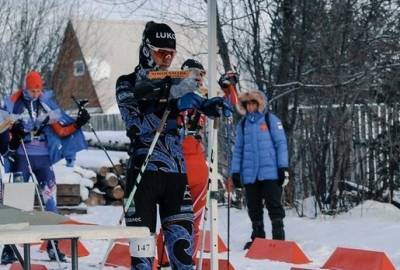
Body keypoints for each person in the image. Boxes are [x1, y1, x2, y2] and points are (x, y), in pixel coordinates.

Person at [116, 21, 232, 270]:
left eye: (171, 54)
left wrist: (209, 105)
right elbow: (135, 125)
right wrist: (172, 103)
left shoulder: (178, 80)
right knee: (143, 262)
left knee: (183, 257)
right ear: (146, 50)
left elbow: (195, 100)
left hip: (176, 176)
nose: (167, 59)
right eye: (161, 53)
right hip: (144, 175)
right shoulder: (126, 82)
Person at [0, 71, 90, 264]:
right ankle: (10, 248)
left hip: (43, 158)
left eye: (39, 90)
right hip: (22, 157)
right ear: (26, 88)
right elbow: (4, 129)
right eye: (32, 90)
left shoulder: (45, 103)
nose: (36, 94)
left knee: (50, 202)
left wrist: (78, 123)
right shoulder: (14, 103)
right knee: (18, 204)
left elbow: (62, 131)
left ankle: (53, 246)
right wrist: (13, 133)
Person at [228, 90, 289, 250]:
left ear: (259, 104)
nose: (250, 107)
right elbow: (238, 149)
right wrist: (235, 172)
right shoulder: (243, 125)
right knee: (253, 207)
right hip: (250, 174)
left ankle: (278, 238)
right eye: (247, 104)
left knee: (274, 204)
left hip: (270, 173)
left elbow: (281, 144)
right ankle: (258, 238)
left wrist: (282, 167)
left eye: (253, 103)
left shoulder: (270, 120)